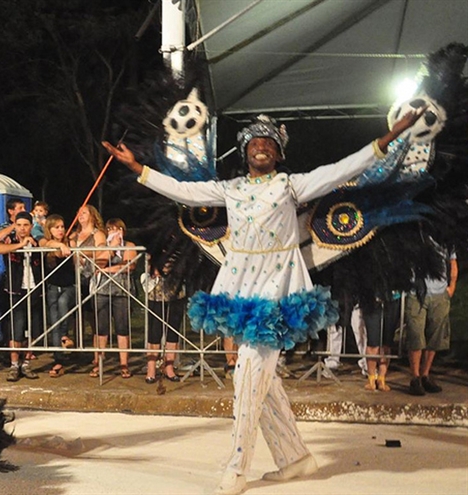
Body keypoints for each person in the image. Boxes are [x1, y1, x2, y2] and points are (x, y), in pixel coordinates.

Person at [103, 109, 421, 495]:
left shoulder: (291, 185)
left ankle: (237, 468)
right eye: (255, 141)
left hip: (277, 292)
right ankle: (294, 458)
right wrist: (137, 167)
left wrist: (390, 137)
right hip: (240, 293)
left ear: (278, 153)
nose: (261, 146)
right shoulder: (230, 188)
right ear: (245, 151)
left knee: (248, 374)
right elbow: (183, 191)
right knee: (263, 382)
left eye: (269, 143)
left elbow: (341, 170)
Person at [405, 238, 457, 396]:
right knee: (416, 334)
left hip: (439, 294)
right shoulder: (413, 236)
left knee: (435, 336)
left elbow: (453, 263)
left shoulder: (445, 239)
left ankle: (425, 375)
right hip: (416, 293)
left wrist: (452, 287)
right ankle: (415, 378)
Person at [0, 211, 41, 382]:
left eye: (25, 225)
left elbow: (48, 243)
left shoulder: (36, 241)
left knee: (33, 328)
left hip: (34, 288)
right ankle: (14, 365)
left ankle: (26, 363)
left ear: (31, 226)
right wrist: (20, 244)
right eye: (19, 225)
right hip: (15, 289)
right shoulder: (10, 240)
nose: (22, 228)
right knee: (16, 327)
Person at [93, 217, 137, 379]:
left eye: (118, 229)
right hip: (102, 291)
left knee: (122, 327)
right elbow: (99, 263)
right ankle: (98, 362)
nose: (114, 232)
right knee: (101, 328)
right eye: (110, 229)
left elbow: (129, 266)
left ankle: (124, 364)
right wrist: (111, 247)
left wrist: (107, 270)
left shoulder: (129, 245)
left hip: (122, 291)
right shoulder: (103, 246)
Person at [69, 205, 108, 376]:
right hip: (76, 279)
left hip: (92, 278)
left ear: (92, 216)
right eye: (78, 212)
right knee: (76, 316)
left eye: (84, 212)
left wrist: (81, 251)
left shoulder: (97, 234)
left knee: (94, 318)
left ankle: (98, 355)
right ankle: (77, 349)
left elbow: (101, 251)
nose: (80, 215)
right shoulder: (74, 235)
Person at [39, 214, 75, 378]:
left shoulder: (71, 243)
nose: (60, 230)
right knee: (54, 322)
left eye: (62, 227)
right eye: (56, 227)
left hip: (69, 286)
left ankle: (64, 335)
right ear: (49, 229)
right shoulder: (46, 242)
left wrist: (65, 246)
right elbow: (45, 244)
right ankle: (58, 359)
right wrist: (59, 245)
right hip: (52, 286)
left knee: (63, 303)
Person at [144, 259, 185, 384]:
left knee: (173, 331)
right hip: (156, 292)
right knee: (154, 332)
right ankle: (151, 369)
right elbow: (149, 262)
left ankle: (169, 367)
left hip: (176, 290)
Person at [363, 292, 401, 391]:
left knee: (387, 342)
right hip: (371, 299)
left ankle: (381, 378)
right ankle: (371, 379)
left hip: (393, 298)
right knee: (373, 342)